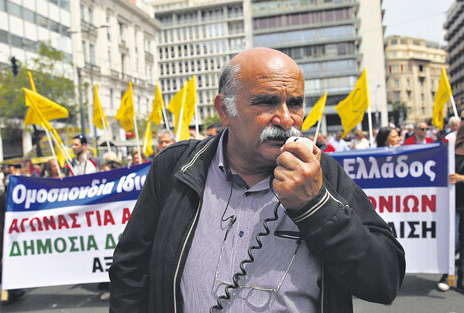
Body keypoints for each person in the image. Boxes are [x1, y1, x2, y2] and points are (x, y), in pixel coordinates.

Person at [109, 47, 405, 313]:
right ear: (225, 110)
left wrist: (317, 206)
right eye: (266, 103)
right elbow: (130, 268)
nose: (286, 119)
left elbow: (384, 280)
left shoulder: (322, 174)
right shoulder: (177, 166)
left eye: (296, 104)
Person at [437, 123, 464, 293]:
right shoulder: (452, 145)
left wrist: (461, 177)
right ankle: (447, 273)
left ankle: (461, 278)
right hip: (450, 200)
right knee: (451, 240)